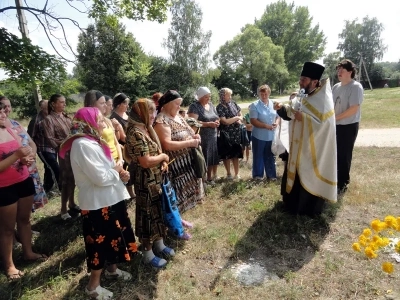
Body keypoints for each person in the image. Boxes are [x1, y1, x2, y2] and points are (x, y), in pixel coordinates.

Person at [59, 107, 136, 299]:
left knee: (113, 238)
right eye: (99, 119)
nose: (104, 123)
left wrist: (121, 174)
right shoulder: (83, 145)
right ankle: (93, 287)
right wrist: (117, 170)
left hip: (109, 199)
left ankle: (112, 270)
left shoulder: (93, 142)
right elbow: (100, 177)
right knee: (99, 245)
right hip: (97, 204)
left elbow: (108, 169)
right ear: (88, 123)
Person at [274, 62, 337, 217]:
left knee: (308, 175)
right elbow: (292, 112)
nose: (301, 82)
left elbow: (325, 126)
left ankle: (307, 210)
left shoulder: (323, 100)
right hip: (296, 147)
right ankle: (291, 206)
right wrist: (281, 108)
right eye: (300, 79)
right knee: (293, 173)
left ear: (314, 82)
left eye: (304, 80)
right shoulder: (303, 95)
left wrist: (306, 118)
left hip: (312, 150)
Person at [126, 98, 176, 268]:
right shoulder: (135, 132)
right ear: (140, 113)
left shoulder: (146, 128)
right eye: (151, 111)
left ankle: (159, 244)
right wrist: (163, 157)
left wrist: (162, 162)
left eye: (155, 110)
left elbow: (156, 150)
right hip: (145, 183)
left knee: (157, 212)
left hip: (156, 180)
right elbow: (146, 161)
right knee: (147, 216)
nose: (154, 115)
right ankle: (148, 253)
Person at [0, 102, 47, 281]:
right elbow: (14, 155)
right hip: (4, 187)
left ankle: (28, 252)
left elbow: (23, 149)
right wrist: (17, 156)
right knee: (6, 229)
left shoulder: (10, 129)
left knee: (25, 220)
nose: (4, 115)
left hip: (23, 180)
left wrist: (25, 160)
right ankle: (9, 265)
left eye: (3, 111)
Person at [154, 90, 205, 215]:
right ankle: (178, 222)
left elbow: (192, 132)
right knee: (177, 196)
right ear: (167, 104)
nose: (179, 107)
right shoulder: (162, 120)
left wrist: (196, 137)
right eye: (177, 103)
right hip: (176, 167)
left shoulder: (179, 117)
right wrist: (189, 143)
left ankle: (184, 219)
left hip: (188, 163)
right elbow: (167, 144)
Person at [0, 96, 48, 210]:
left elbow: (31, 143)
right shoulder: (4, 128)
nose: (6, 110)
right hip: (8, 181)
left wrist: (31, 157)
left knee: (25, 212)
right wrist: (18, 157)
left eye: (8, 106)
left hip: (27, 167)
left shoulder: (15, 124)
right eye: (3, 107)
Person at [42, 94, 79, 220]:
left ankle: (72, 203)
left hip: (74, 152)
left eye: (65, 102)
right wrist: (67, 140)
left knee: (74, 179)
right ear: (53, 104)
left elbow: (74, 131)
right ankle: (63, 209)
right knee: (66, 180)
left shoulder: (66, 116)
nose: (64, 104)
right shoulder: (49, 120)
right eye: (61, 102)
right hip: (64, 153)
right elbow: (50, 140)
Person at [332, 59, 363, 194]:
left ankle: (343, 184)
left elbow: (353, 109)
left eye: (342, 70)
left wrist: (335, 118)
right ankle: (334, 181)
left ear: (350, 72)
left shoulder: (355, 87)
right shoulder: (336, 87)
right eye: (338, 70)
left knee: (344, 155)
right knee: (334, 154)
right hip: (335, 125)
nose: (339, 72)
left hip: (348, 126)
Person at [188, 87, 220, 185]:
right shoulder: (194, 106)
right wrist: (208, 124)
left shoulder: (211, 105)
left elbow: (216, 116)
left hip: (213, 136)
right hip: (202, 136)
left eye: (209, 97)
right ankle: (202, 179)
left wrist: (217, 122)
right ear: (200, 97)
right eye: (206, 97)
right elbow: (192, 122)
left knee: (211, 157)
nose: (208, 99)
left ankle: (209, 177)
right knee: (203, 158)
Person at [84, 90, 124, 166]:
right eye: (102, 103)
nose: (105, 106)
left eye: (105, 103)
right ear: (91, 104)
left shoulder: (108, 121)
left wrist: (120, 160)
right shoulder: (88, 125)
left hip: (116, 161)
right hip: (104, 163)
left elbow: (116, 142)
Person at [248, 85, 279, 181]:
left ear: (269, 93)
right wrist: (266, 126)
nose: (264, 96)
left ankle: (271, 175)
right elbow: (253, 120)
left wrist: (276, 123)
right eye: (262, 94)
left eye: (265, 94)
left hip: (271, 135)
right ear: (259, 94)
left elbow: (278, 116)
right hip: (259, 136)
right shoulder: (255, 105)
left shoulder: (274, 103)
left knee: (270, 155)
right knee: (258, 156)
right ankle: (258, 176)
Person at [110, 93, 135, 200]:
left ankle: (131, 192)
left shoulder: (127, 115)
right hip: (123, 147)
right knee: (126, 169)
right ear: (119, 104)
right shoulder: (113, 118)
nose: (128, 106)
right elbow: (120, 137)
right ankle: (129, 194)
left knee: (133, 169)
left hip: (132, 144)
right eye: (126, 104)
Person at [31, 100, 58, 196]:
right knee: (55, 167)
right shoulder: (36, 120)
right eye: (47, 107)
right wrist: (33, 152)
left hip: (53, 147)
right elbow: (31, 136)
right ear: (42, 108)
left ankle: (47, 188)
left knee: (48, 168)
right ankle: (61, 188)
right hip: (43, 148)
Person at [216, 88, 243, 180]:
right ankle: (228, 174)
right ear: (223, 96)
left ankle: (237, 174)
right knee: (226, 155)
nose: (230, 97)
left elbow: (241, 114)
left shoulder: (233, 104)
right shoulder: (219, 107)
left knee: (236, 154)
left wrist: (238, 118)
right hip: (226, 134)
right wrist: (236, 118)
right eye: (228, 95)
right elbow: (225, 121)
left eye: (230, 95)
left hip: (236, 133)